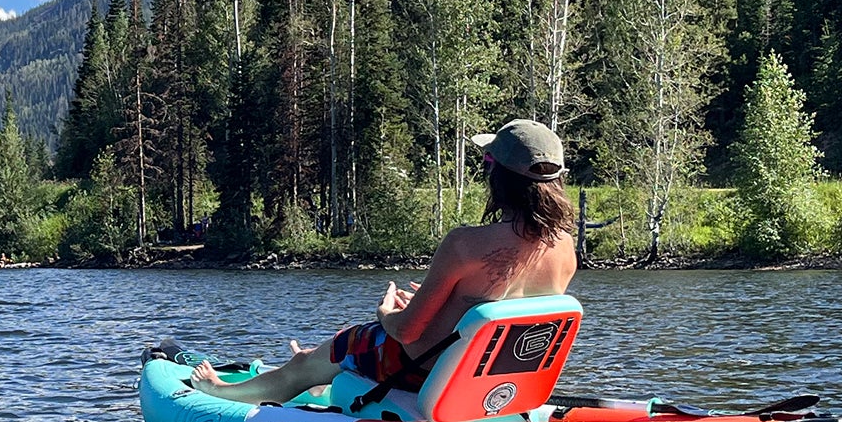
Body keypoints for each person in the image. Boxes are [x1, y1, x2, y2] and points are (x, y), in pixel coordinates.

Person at [189, 119, 578, 404]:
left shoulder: (465, 244)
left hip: (425, 374)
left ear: (497, 176)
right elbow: (497, 320)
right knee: (359, 347)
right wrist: (437, 310)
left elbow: (407, 334)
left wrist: (385, 313)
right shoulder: (565, 251)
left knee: (339, 346)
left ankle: (226, 391)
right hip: (494, 382)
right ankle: (324, 384)